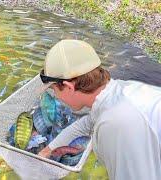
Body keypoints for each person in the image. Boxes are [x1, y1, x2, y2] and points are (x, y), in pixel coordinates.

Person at [37, 39, 161, 180]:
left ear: (69, 87)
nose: (56, 97)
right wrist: (48, 149)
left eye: (54, 90)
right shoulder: (120, 90)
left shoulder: (115, 123)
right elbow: (84, 125)